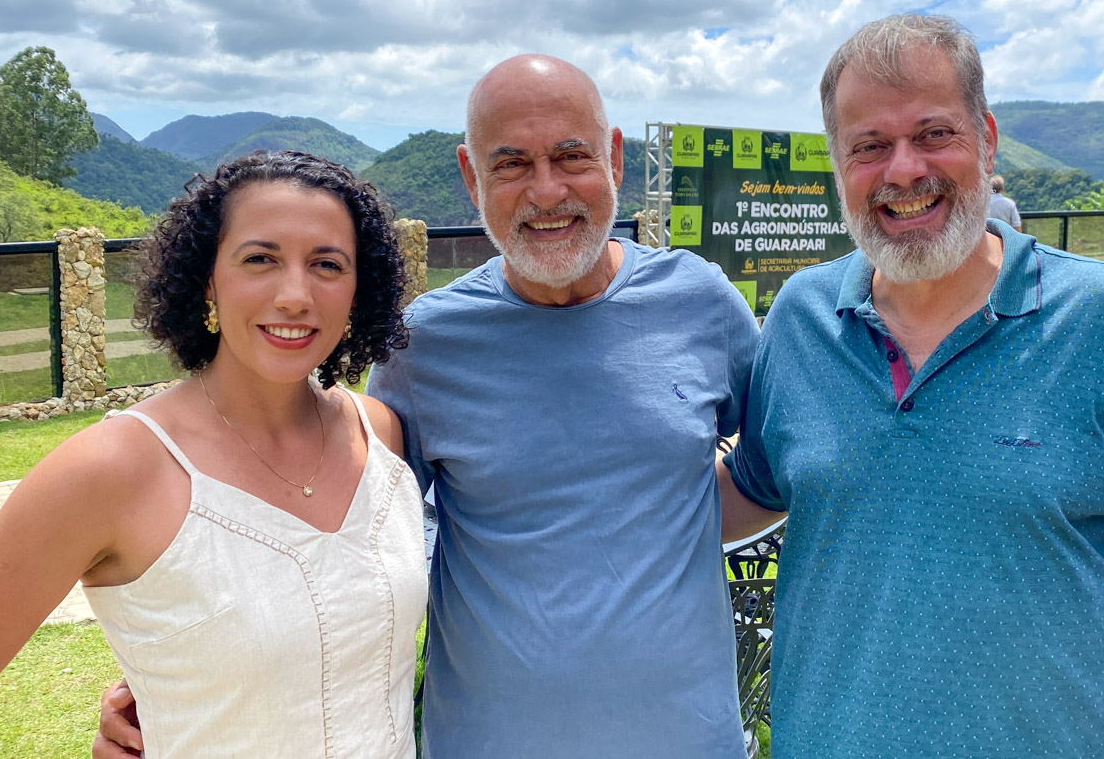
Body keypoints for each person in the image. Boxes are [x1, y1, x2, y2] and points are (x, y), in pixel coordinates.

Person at [96, 57, 757, 759]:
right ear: (472, 177)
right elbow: (333, 536)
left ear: (615, 159)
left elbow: (782, 467)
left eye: (572, 156)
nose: (546, 190)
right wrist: (171, 681)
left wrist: (660, 519)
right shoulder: (426, 343)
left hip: (691, 739)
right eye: (511, 165)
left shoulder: (701, 302)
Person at [718, 14, 1104, 758]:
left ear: (985, 139)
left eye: (933, 133)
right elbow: (749, 488)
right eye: (869, 146)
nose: (904, 169)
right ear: (838, 166)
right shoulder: (800, 318)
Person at [0, 151, 425, 758]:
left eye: (327, 264)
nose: (295, 295)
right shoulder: (113, 468)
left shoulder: (378, 435)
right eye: (260, 259)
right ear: (207, 279)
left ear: (360, 288)